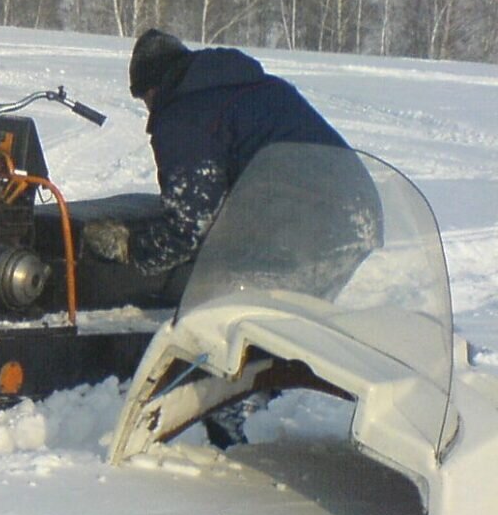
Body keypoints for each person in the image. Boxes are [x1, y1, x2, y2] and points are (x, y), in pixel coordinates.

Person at [83, 29, 381, 447]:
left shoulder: (186, 113)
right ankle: (254, 400)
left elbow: (189, 226)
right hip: (356, 211)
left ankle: (228, 435)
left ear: (153, 87)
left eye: (143, 98)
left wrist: (131, 248)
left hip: (312, 221)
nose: (148, 108)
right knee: (277, 322)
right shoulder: (243, 86)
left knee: (235, 318)